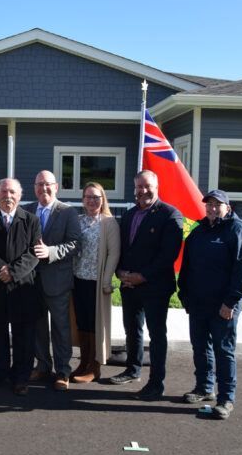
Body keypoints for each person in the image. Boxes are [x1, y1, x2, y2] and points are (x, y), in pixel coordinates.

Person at [177, 189, 242, 419]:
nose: (212, 209)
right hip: (199, 303)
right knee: (200, 347)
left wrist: (231, 301)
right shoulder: (198, 232)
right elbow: (187, 266)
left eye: (217, 205)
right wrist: (185, 295)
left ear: (227, 208)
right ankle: (204, 387)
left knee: (223, 351)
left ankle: (226, 399)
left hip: (224, 305)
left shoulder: (238, 232)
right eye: (208, 205)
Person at [111, 170, 183, 401]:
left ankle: (156, 383)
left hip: (155, 286)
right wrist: (120, 272)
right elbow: (122, 247)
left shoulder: (171, 215)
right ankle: (132, 370)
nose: (142, 191)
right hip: (129, 285)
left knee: (156, 334)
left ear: (156, 185)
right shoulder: (129, 215)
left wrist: (142, 276)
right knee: (132, 330)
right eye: (138, 187)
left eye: (147, 186)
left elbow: (168, 255)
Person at [0, 178, 41, 396]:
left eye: (12, 192)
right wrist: (1, 270)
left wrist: (12, 272)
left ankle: (21, 378)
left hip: (23, 287)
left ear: (19, 196)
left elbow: (34, 253)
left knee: (24, 336)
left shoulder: (31, 220)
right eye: (3, 191)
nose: (8, 196)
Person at [23, 170, 81, 391]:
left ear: (56, 187)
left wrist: (51, 252)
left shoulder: (68, 212)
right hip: (31, 282)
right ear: (34, 187)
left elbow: (75, 243)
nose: (43, 188)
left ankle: (63, 371)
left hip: (57, 282)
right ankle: (42, 365)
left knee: (60, 328)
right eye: (39, 185)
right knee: (37, 327)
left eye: (47, 184)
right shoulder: (26, 210)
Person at [70, 182, 120, 384]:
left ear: (103, 199)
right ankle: (83, 362)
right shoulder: (78, 220)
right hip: (77, 280)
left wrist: (106, 281)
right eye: (88, 197)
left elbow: (113, 253)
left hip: (97, 283)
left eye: (96, 197)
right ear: (83, 200)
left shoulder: (109, 223)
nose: (92, 201)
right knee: (81, 322)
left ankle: (95, 366)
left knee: (94, 324)